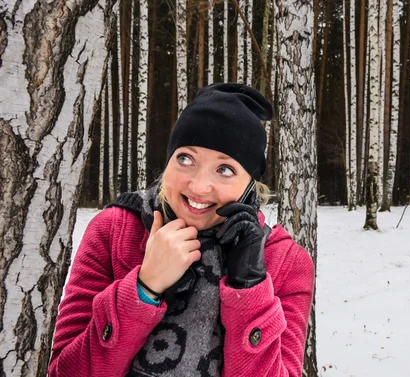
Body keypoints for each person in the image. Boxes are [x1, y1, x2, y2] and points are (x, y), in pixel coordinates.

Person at [48, 83, 315, 377]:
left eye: (225, 169)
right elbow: (66, 371)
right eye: (186, 159)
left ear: (250, 182)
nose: (199, 186)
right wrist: (144, 286)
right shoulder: (114, 230)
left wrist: (248, 289)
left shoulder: (287, 262)